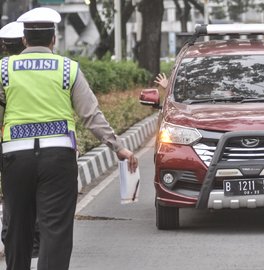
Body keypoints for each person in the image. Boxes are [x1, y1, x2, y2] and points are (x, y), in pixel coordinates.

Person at [0, 7, 138, 270]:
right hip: (58, 159)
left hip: (16, 159)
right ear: (54, 39)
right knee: (55, 231)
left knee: (17, 227)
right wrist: (118, 147)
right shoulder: (68, 69)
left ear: (25, 39)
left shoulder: (4, 69)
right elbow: (91, 116)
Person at [0, 20, 43, 259]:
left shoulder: (5, 71)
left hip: (11, 146)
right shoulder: (49, 67)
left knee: (13, 198)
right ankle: (36, 242)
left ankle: (13, 240)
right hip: (48, 145)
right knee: (40, 195)